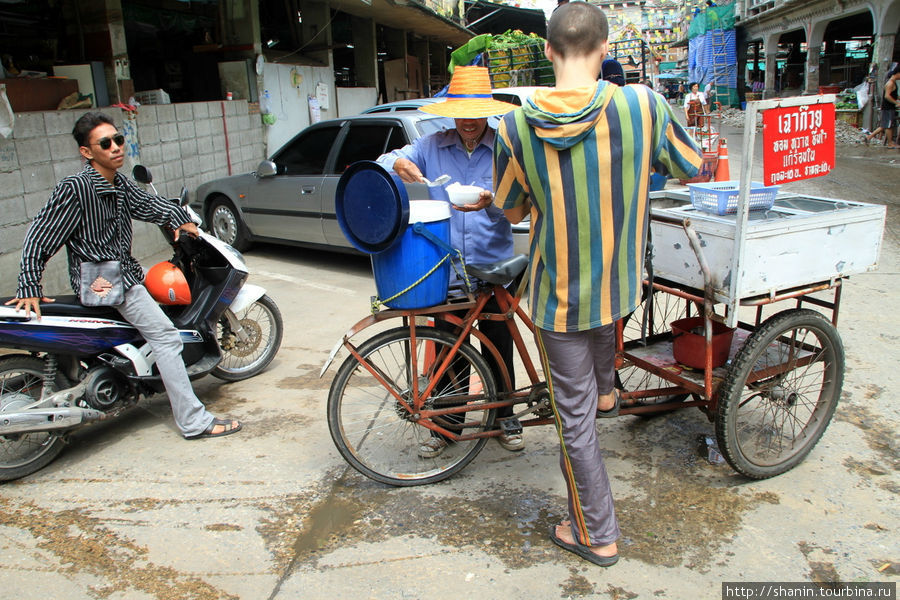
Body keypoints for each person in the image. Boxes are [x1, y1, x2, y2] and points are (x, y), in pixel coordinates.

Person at [490, 1, 702, 566]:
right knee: (597, 371)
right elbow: (690, 165)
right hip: (619, 285)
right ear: (605, 49)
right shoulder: (643, 105)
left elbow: (509, 212)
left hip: (557, 301)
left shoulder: (512, 126)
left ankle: (597, 533)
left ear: (548, 51)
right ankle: (608, 389)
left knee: (574, 423)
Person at [5, 112, 241, 440]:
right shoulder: (77, 188)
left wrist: (180, 218)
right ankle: (194, 421)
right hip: (105, 281)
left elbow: (147, 204)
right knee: (166, 338)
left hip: (124, 271)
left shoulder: (117, 183)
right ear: (87, 152)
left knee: (155, 292)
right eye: (106, 143)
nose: (116, 147)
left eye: (118, 139)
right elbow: (41, 234)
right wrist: (29, 283)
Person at [375, 66, 523, 456]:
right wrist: (404, 168)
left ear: (487, 113)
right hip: (447, 270)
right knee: (449, 349)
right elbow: (388, 160)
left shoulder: (503, 149)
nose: (469, 123)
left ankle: (506, 418)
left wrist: (494, 203)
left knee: (498, 348)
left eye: (476, 114)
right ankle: (447, 428)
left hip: (492, 267)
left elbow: (518, 209)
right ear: (452, 112)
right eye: (461, 113)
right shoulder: (431, 145)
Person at [865, 67, 900, 148]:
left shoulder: (893, 83)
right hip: (888, 107)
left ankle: (869, 137)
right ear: (897, 73)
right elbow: (887, 96)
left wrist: (898, 98)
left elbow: (893, 95)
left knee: (884, 125)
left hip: (889, 107)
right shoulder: (890, 83)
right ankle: (890, 143)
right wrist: (896, 103)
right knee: (888, 126)